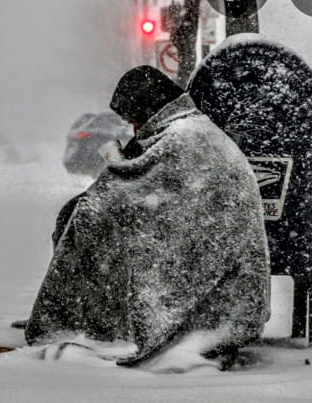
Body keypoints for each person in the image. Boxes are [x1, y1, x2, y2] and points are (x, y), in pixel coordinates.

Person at [24, 66, 270, 370]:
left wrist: (116, 168)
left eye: (136, 120)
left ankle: (88, 322)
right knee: (82, 214)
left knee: (88, 219)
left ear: (150, 109)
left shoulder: (183, 139)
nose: (135, 129)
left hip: (218, 289)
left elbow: (130, 196)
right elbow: (147, 191)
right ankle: (88, 319)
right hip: (215, 263)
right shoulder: (186, 130)